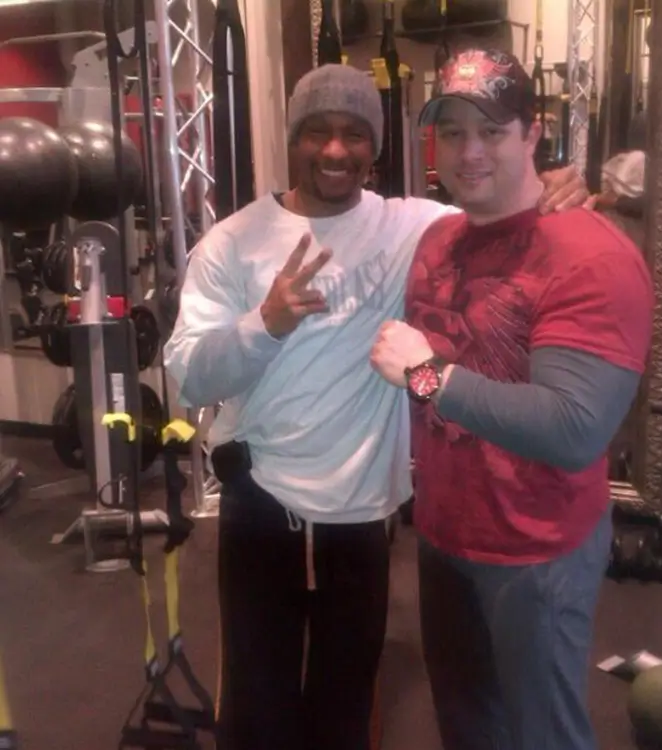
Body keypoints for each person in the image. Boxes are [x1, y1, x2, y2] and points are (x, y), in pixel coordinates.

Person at [163, 61, 590, 750]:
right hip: (263, 508)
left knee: (346, 703)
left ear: (376, 146)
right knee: (256, 709)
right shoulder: (231, 244)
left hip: (362, 517)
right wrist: (264, 323)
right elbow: (188, 378)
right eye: (319, 132)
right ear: (294, 138)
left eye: (354, 134)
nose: (336, 150)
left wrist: (561, 183)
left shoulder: (410, 226)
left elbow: (500, 207)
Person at [370, 49, 654, 750]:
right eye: (454, 131)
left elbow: (573, 427)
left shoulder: (592, 256)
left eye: (492, 131)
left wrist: (425, 376)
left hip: (536, 553)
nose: (469, 152)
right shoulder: (437, 236)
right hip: (443, 536)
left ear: (534, 134)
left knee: (541, 737)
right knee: (467, 728)